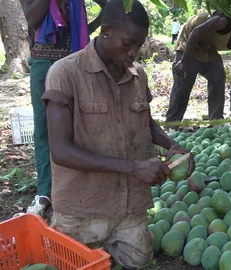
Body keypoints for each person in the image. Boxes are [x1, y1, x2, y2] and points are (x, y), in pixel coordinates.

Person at [41, 0, 194, 268]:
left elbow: (147, 123)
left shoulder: (138, 75)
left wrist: (172, 145)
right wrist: (134, 167)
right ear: (106, 30)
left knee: (139, 262)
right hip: (82, 208)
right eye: (128, 44)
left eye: (139, 45)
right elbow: (61, 151)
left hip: (128, 207)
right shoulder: (65, 73)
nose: (134, 52)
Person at [18, 0, 107, 217]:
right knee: (43, 127)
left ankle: (79, 184)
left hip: (75, 60)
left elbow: (111, 5)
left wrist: (89, 29)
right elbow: (32, 18)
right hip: (42, 61)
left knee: (80, 122)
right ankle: (45, 190)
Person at [165, 9, 231, 126]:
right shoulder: (226, 21)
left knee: (218, 75)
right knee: (184, 81)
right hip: (189, 42)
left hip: (208, 49)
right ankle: (172, 124)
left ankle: (216, 121)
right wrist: (183, 62)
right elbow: (196, 32)